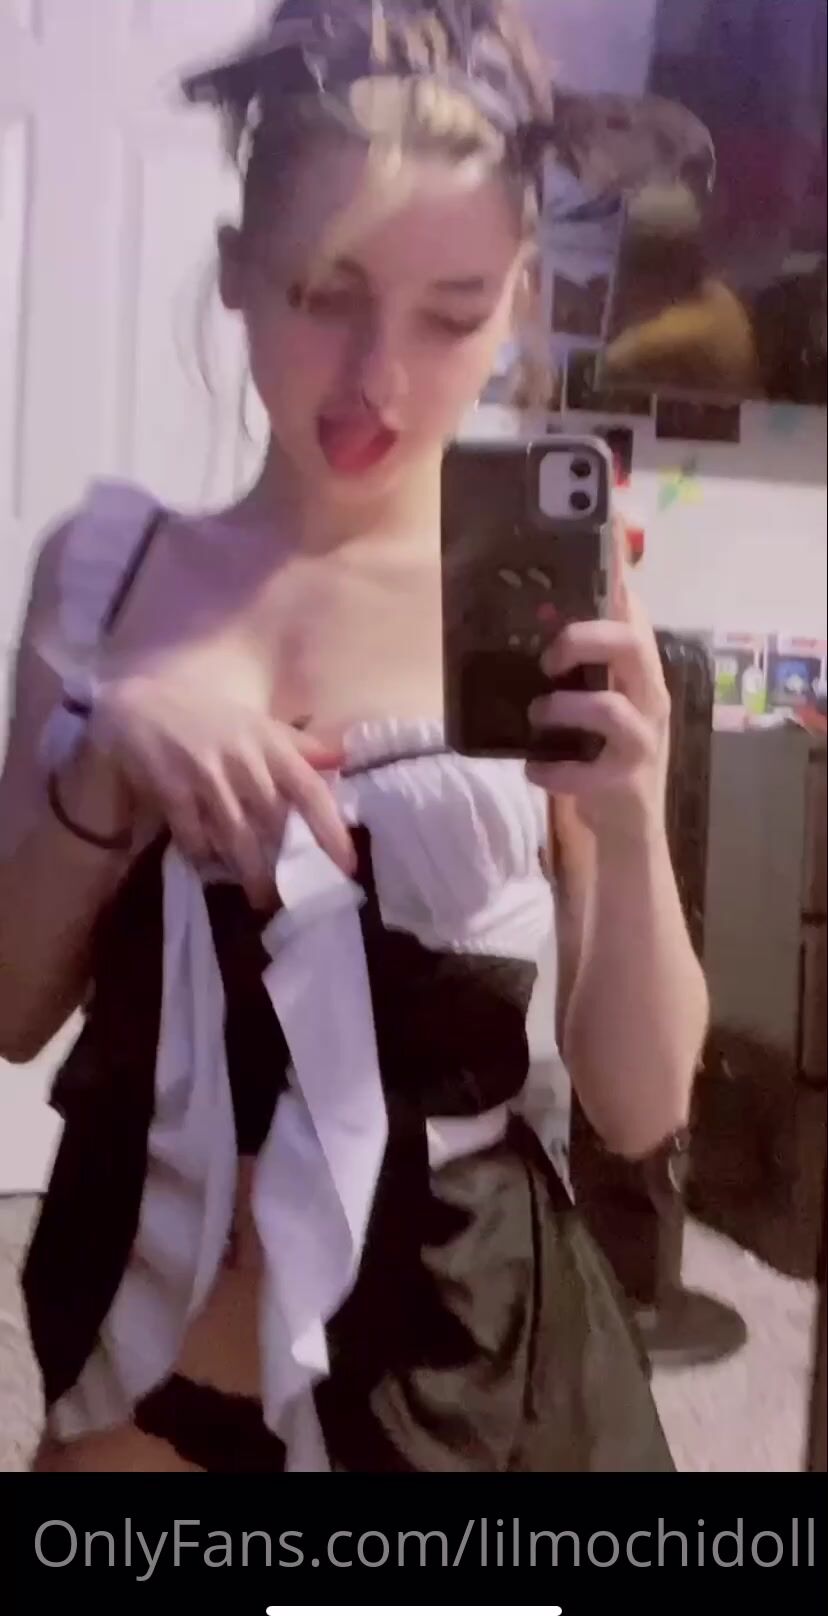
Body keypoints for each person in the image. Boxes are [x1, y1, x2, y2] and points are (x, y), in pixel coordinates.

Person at [0, 0, 708, 1473]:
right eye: (328, 294)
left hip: (456, 1375)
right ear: (237, 273)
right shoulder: (107, 576)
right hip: (142, 1354)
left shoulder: (545, 606)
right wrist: (111, 756)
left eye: (450, 314)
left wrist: (634, 821)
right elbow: (9, 1012)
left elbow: (637, 1106)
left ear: (516, 303)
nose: (380, 377)